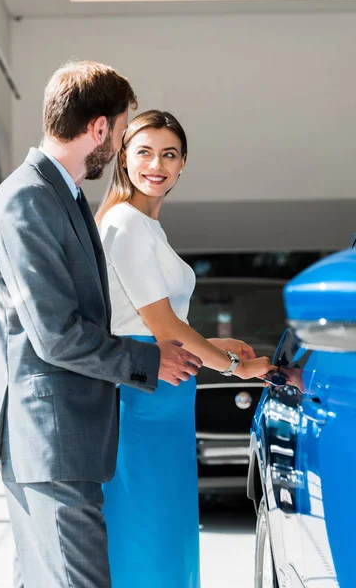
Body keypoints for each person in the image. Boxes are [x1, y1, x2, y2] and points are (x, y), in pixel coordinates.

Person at [0, 64, 203, 588]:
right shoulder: (27, 201)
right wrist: (149, 359)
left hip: (66, 438)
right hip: (51, 439)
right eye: (124, 131)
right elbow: (55, 334)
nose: (125, 145)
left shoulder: (62, 196)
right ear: (100, 130)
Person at [96, 110, 276, 588]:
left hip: (167, 397)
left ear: (182, 165)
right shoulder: (125, 223)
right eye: (145, 152)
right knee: (146, 538)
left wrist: (212, 346)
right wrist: (237, 366)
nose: (157, 163)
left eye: (169, 154)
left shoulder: (148, 227)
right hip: (142, 399)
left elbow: (150, 322)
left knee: (170, 536)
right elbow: (163, 326)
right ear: (123, 159)